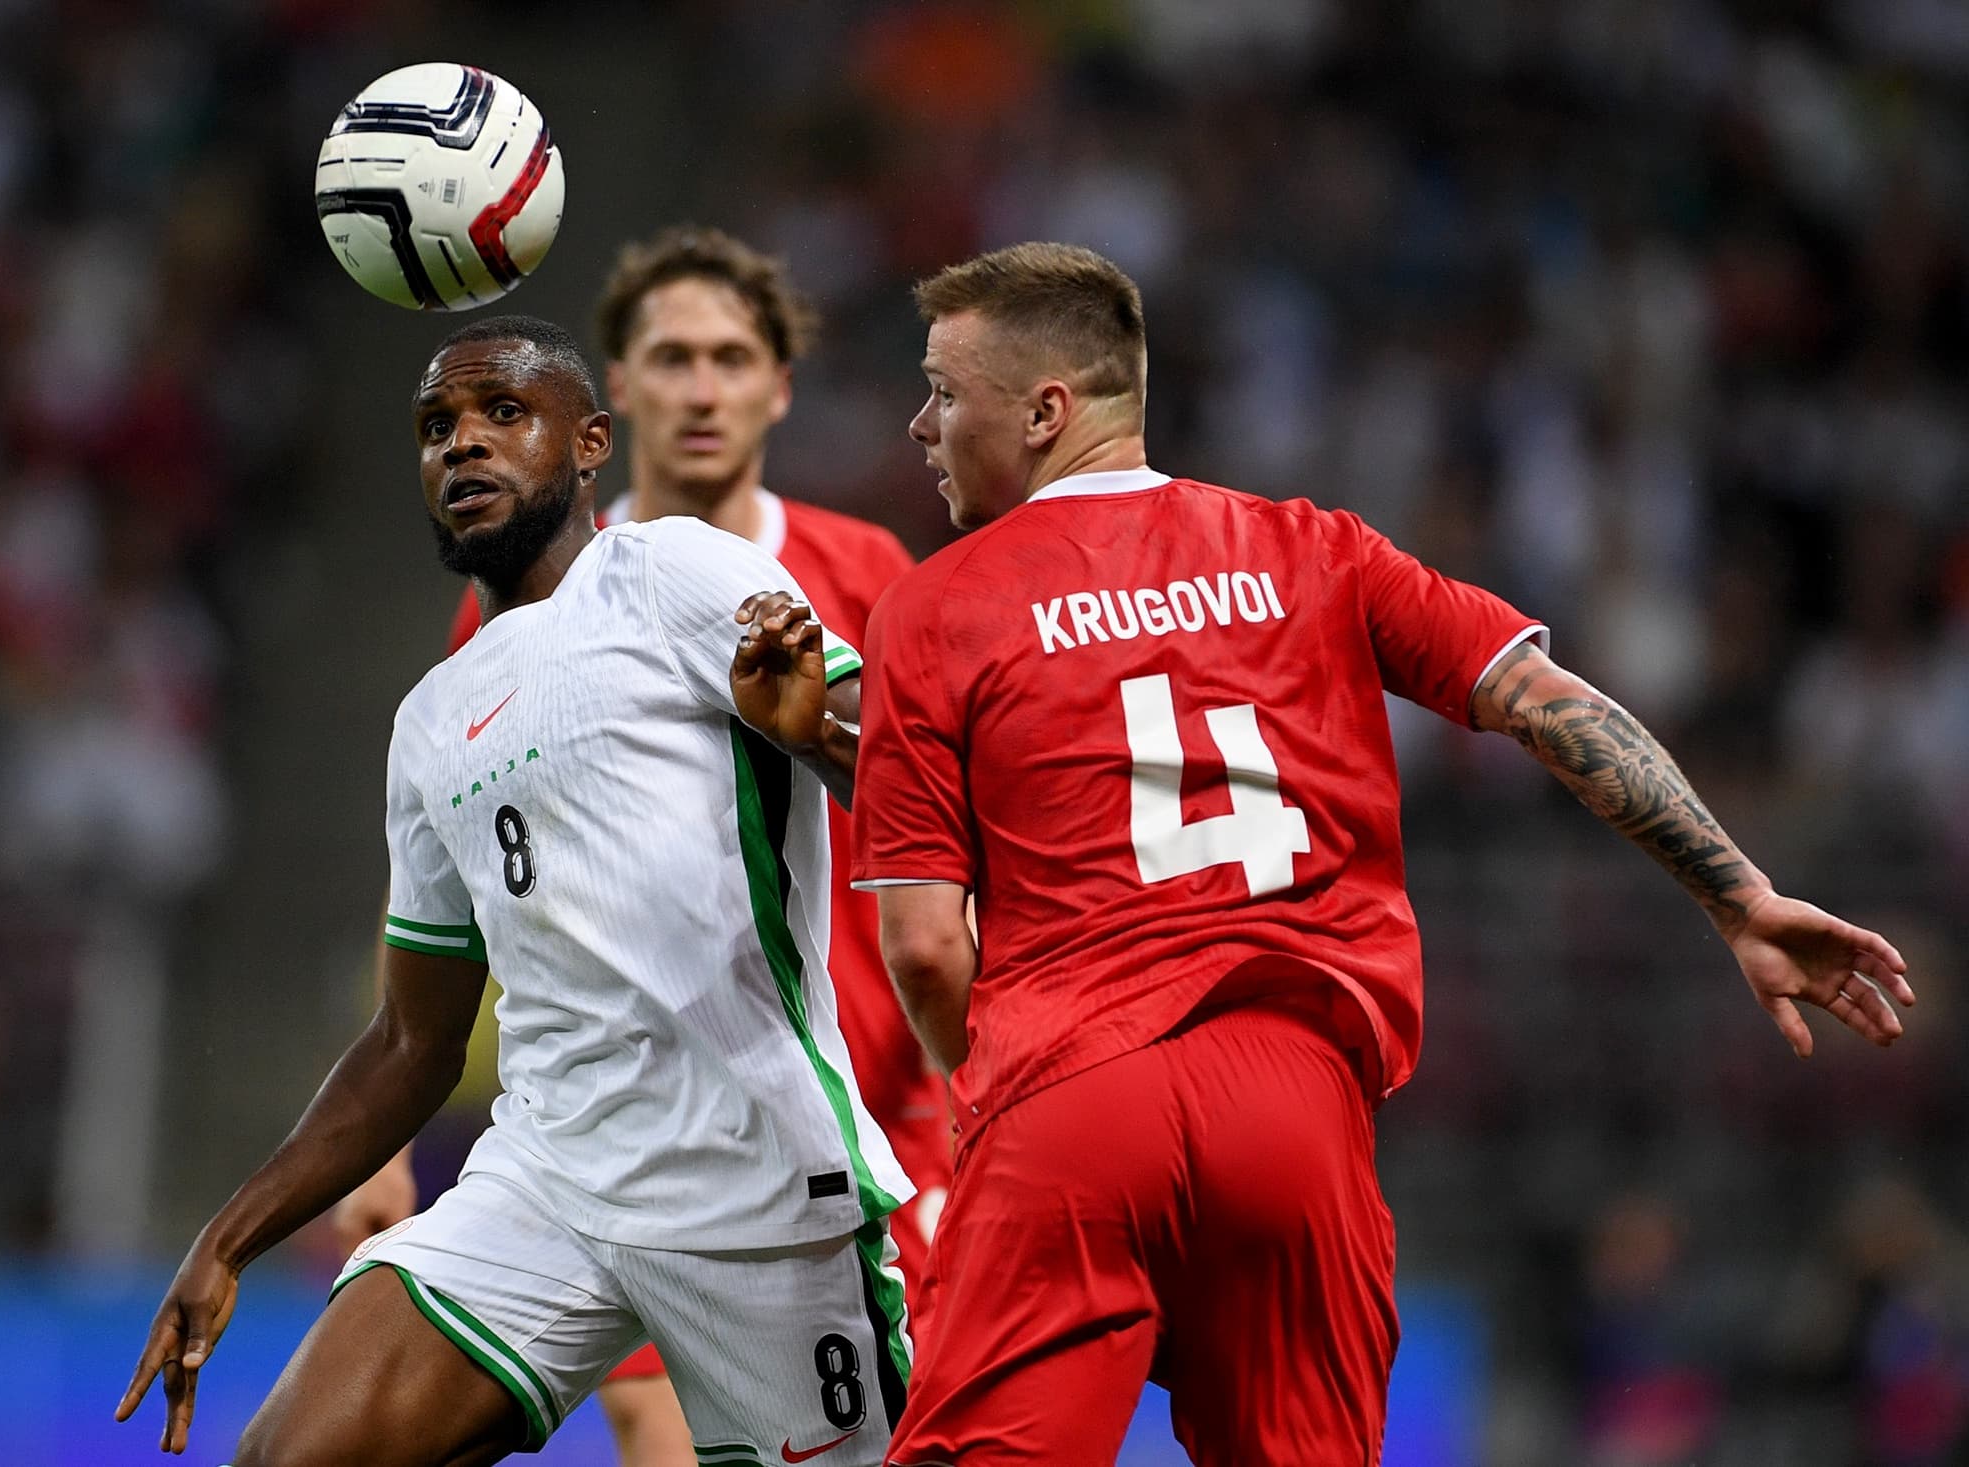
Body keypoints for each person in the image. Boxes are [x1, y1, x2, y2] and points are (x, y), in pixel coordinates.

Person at [831, 242, 1912, 1466]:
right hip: (1293, 1101)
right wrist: (1738, 895)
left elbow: (925, 947)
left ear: (1043, 412)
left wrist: (993, 1098)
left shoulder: (932, 607)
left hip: (1068, 1094)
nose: (920, 425)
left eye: (943, 392)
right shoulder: (1312, 550)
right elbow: (1544, 703)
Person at [117, 315, 913, 1467]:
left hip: (755, 1178)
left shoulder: (671, 571)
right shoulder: (430, 722)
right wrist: (230, 1238)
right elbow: (411, 1042)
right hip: (550, 1179)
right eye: (435, 426)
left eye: (503, 413)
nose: (462, 445)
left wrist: (814, 737)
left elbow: (899, 763)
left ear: (591, 444)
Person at [332, 228, 948, 1465]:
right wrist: (384, 1142)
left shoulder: (860, 569)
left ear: (779, 388)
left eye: (731, 358)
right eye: (672, 358)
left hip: (861, 1113)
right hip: (632, 1144)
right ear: (614, 395)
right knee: (646, 1419)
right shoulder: (508, 609)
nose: (702, 389)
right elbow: (474, 888)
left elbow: (933, 802)